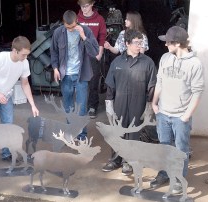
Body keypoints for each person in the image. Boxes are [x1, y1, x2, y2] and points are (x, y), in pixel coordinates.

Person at [150, 26, 204, 194]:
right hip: (163, 113)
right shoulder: (165, 58)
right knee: (164, 146)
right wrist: (154, 103)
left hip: (181, 116)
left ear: (178, 43)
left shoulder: (195, 64)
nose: (165, 45)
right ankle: (165, 173)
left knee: (181, 149)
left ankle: (179, 178)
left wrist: (186, 116)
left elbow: (197, 92)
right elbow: (159, 82)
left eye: (168, 42)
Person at [102, 29, 157, 175]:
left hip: (137, 104)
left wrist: (149, 106)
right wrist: (109, 104)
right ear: (127, 43)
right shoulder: (117, 62)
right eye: (136, 43)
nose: (139, 45)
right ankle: (115, 160)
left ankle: (129, 162)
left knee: (133, 132)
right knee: (117, 131)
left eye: (141, 42)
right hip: (119, 103)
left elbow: (152, 86)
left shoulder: (148, 63)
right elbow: (110, 85)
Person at [0, 36, 39, 160]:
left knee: (8, 125)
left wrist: (32, 104)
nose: (25, 58)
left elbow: (25, 83)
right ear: (15, 51)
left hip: (6, 96)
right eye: (23, 54)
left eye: (27, 55)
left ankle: (6, 153)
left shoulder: (24, 62)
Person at [50, 10, 99, 140]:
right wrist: (55, 68)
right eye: (67, 27)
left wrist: (83, 36)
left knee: (82, 108)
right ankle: (71, 132)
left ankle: (82, 135)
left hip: (81, 75)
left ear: (77, 21)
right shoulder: (58, 33)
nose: (70, 30)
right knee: (68, 108)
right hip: (65, 75)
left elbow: (94, 52)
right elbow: (54, 52)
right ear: (63, 23)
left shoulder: (86, 31)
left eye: (72, 27)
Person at [77, 0, 107, 119]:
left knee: (94, 81)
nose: (83, 9)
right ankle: (81, 106)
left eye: (86, 6)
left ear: (92, 4)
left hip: (93, 54)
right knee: (80, 81)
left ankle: (92, 106)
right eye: (81, 6)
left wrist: (100, 52)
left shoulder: (99, 19)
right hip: (80, 55)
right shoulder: (77, 19)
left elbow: (102, 37)